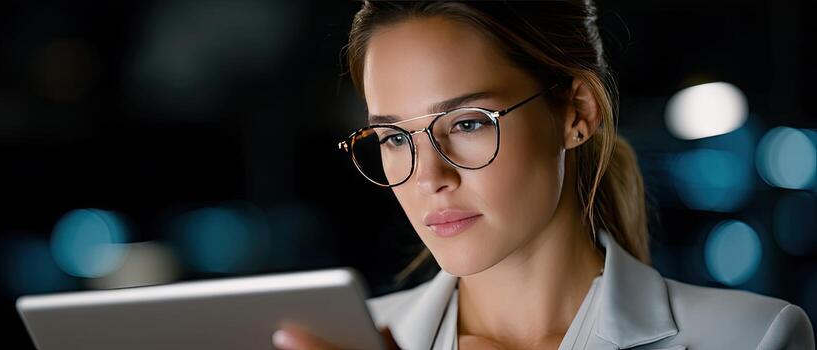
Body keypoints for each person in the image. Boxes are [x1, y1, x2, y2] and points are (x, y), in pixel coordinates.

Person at [272, 1, 815, 349]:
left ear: (576, 112)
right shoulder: (333, 341)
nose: (428, 176)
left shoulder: (752, 338)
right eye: (394, 138)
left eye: (467, 123)